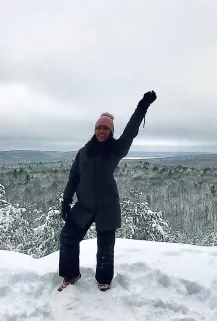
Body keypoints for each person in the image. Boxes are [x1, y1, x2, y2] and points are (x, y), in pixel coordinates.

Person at [57, 90, 157, 291]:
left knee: (105, 248)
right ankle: (70, 275)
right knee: (68, 236)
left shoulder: (116, 149)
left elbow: (130, 131)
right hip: (84, 205)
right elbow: (74, 178)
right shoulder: (84, 152)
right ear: (94, 130)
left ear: (110, 131)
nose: (101, 131)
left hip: (107, 206)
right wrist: (66, 201)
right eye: (98, 127)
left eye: (105, 128)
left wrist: (142, 107)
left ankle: (104, 280)